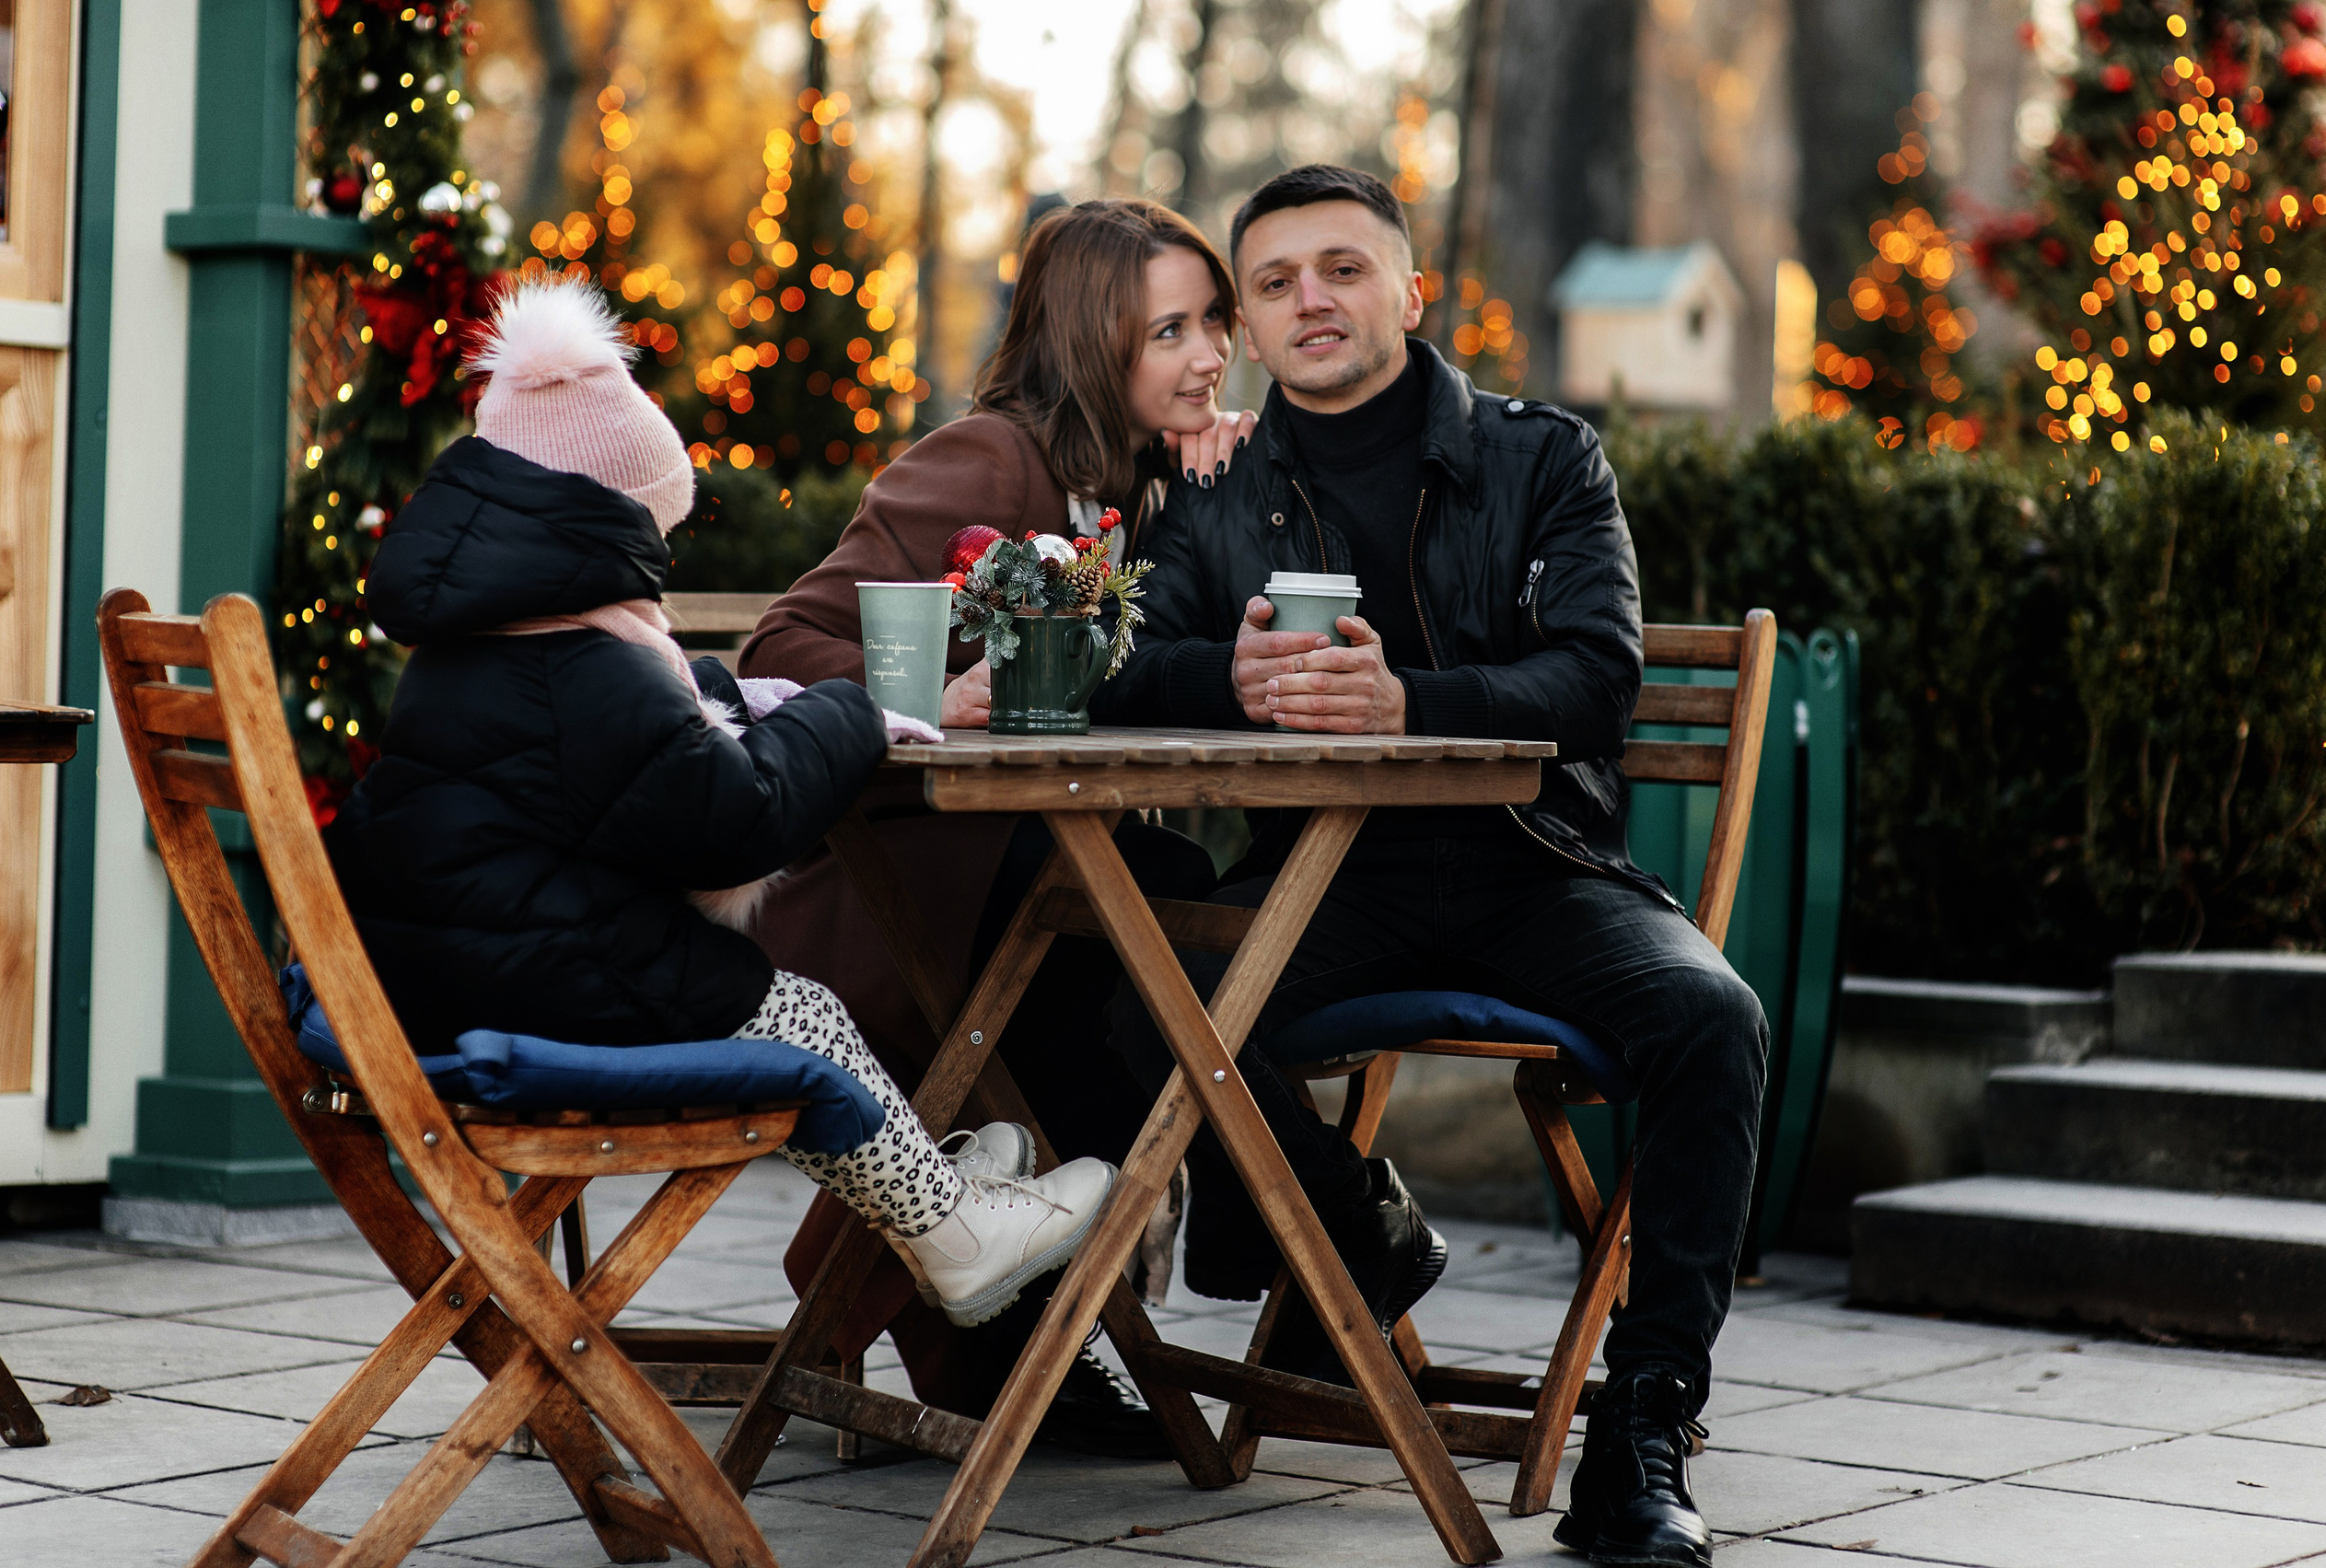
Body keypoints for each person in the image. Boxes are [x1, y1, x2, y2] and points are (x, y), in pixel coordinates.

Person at [1093, 165, 1770, 1568]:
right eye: (1274, 283)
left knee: (1713, 1017)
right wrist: (1228, 678)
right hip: (1325, 883)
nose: (1310, 301)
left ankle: (1642, 1426)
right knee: (1136, 1002)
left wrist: (1415, 700)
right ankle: (1357, 1231)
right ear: (1249, 326)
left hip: (1539, 867)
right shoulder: (1215, 487)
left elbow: (1599, 677)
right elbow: (1120, 664)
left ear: (1410, 292)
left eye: (1342, 268)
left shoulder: (1544, 458)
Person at [324, 277, 1114, 1330]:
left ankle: (940, 1193)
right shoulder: (583, 663)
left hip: (453, 964)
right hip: (539, 984)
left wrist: (734, 698)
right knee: (799, 1014)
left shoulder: (497, 636)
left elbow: (621, 754)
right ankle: (953, 1230)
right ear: (604, 519)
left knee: (787, 1007)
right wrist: (847, 707)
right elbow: (736, 819)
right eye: (656, 526)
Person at [736, 197, 1273, 1453]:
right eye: (1172, 331)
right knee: (1140, 933)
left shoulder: (1134, 485)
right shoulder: (988, 459)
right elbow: (780, 646)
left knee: (1168, 902)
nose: (1211, 354)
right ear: (1092, 341)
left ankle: (999, 1334)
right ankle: (1268, 1245)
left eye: (1214, 323)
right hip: (895, 895)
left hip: (1018, 881)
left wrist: (1226, 500)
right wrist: (933, 691)